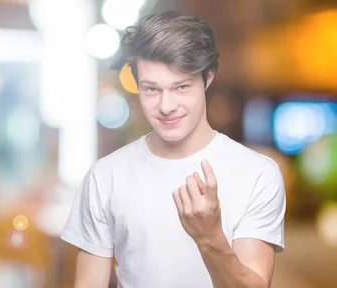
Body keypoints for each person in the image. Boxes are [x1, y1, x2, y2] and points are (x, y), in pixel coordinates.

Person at [60, 11, 286, 288]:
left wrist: (210, 237)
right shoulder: (105, 175)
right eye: (151, 89)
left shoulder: (258, 174)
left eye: (181, 87)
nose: (166, 106)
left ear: (208, 78)